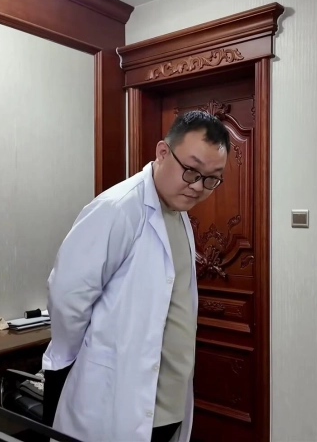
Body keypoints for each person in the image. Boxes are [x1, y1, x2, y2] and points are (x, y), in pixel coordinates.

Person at [41, 110, 230, 442]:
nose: (198, 187)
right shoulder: (118, 208)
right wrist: (74, 361)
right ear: (162, 152)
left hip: (168, 405)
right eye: (191, 171)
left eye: (211, 179)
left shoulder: (179, 213)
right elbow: (68, 297)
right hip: (118, 400)